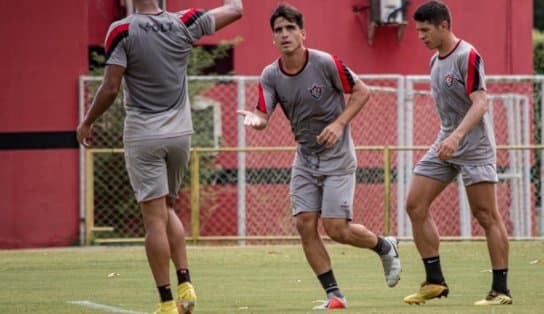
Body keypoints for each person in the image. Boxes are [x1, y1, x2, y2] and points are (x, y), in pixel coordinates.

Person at [76, 1, 243, 313]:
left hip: (144, 134)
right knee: (167, 208)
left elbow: (111, 88)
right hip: (181, 135)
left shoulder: (122, 29)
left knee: (153, 219)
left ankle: (167, 303)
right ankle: (186, 283)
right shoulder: (184, 23)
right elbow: (235, 10)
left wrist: (87, 121)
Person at [237, 3, 401, 310]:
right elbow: (262, 114)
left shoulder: (325, 63)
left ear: (302, 33)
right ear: (273, 38)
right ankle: (335, 295)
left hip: (338, 157)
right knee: (304, 223)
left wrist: (339, 124)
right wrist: (255, 122)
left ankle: (384, 245)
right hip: (305, 158)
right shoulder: (270, 75)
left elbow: (362, 91)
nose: (284, 34)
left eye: (290, 28)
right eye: (278, 30)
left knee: (336, 229)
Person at [403, 0, 511, 306]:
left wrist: (458, 136)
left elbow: (481, 102)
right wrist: (449, 138)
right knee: (415, 204)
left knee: (486, 215)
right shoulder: (435, 61)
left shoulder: (468, 55)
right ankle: (435, 282)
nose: (421, 36)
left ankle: (501, 290)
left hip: (474, 146)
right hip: (445, 142)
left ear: (444, 26)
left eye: (425, 30)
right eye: (418, 31)